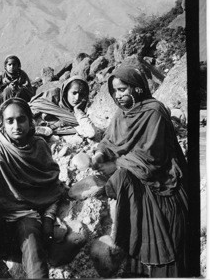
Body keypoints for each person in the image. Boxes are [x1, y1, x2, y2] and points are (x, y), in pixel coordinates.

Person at [92, 66, 189, 277]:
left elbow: (152, 155)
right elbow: (109, 140)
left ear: (137, 88)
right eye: (115, 91)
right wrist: (100, 153)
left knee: (122, 177)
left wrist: (117, 164)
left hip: (159, 176)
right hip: (135, 169)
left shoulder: (154, 111)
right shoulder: (121, 114)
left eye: (123, 89)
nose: (118, 95)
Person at [0, 98, 66, 279]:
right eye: (10, 121)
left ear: (30, 121)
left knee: (32, 239)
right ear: (2, 125)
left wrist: (48, 217)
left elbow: (52, 186)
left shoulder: (40, 146)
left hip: (26, 213)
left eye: (21, 119)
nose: (16, 125)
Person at [29, 76, 99, 139]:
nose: (77, 98)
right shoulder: (53, 97)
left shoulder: (77, 115)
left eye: (81, 94)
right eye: (74, 93)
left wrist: (78, 111)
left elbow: (91, 132)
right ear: (66, 92)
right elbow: (33, 107)